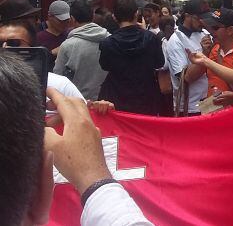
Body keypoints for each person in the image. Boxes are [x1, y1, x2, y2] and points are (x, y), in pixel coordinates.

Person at [0, 51, 150, 226]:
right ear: (42, 185)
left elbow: (80, 120)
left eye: (15, 44)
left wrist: (99, 113)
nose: (7, 47)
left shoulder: (60, 84)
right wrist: (94, 180)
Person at [99, 0, 165, 115]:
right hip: (146, 99)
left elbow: (105, 66)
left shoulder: (107, 44)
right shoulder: (151, 38)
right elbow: (159, 63)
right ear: (136, 14)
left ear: (114, 17)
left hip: (118, 98)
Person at [53, 0, 110, 101]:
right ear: (93, 16)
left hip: (76, 104)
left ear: (72, 19)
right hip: (105, 104)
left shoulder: (67, 46)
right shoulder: (110, 39)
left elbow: (57, 78)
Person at [164, 0, 211, 115]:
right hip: (189, 108)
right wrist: (205, 55)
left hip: (210, 103)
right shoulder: (176, 41)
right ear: (187, 16)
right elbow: (186, 78)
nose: (202, 22)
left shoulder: (205, 34)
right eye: (199, 18)